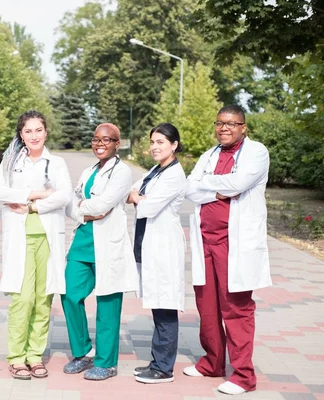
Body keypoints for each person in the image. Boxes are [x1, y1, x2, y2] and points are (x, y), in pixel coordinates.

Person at [185, 105, 271, 395]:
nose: (224, 128)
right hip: (205, 240)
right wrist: (218, 190)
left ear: (243, 127)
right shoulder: (209, 155)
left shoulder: (256, 152)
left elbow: (238, 184)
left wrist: (210, 186)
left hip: (235, 244)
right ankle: (212, 363)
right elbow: (189, 188)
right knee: (207, 305)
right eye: (220, 123)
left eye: (232, 124)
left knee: (236, 308)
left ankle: (244, 376)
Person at [0, 110, 72, 380]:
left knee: (43, 299)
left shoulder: (57, 162)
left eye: (38, 130)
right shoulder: (11, 161)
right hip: (20, 238)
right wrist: (37, 194)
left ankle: (34, 356)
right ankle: (16, 357)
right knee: (22, 298)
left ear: (46, 132)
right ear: (21, 134)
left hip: (48, 237)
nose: (34, 135)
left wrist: (32, 207)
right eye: (28, 131)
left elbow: (63, 195)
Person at [62, 123, 139, 381]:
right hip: (82, 241)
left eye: (106, 140)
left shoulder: (123, 172)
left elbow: (105, 204)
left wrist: (83, 206)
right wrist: (86, 209)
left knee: (107, 305)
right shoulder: (88, 170)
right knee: (70, 294)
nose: (99, 144)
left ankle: (106, 362)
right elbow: (70, 204)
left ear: (117, 143)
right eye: (96, 139)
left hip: (108, 244)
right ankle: (83, 351)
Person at [127, 123, 187, 384]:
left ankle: (163, 369)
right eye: (152, 141)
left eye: (161, 142)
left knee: (165, 306)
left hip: (164, 247)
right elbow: (131, 191)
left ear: (174, 145)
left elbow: (148, 207)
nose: (154, 146)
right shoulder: (155, 170)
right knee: (158, 306)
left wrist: (140, 198)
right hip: (148, 244)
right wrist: (138, 196)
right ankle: (156, 362)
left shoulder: (175, 175)